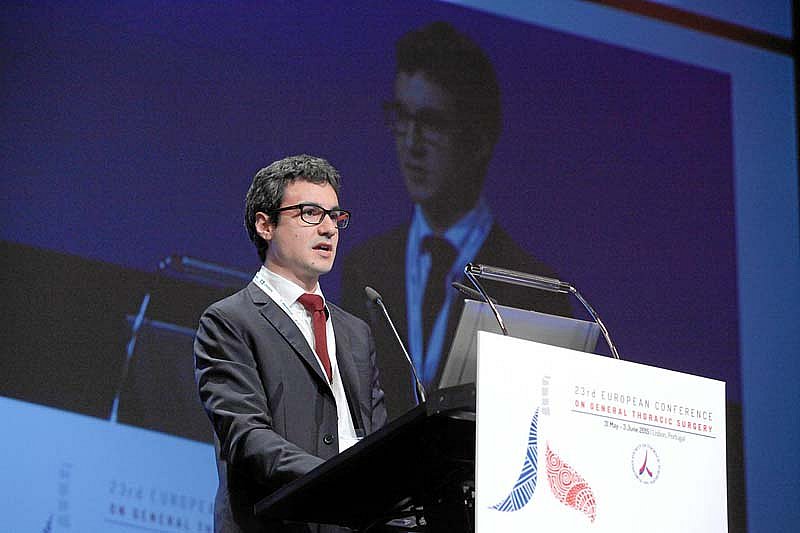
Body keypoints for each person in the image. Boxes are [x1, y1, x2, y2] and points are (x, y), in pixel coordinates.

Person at [341, 22, 571, 419]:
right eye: (402, 117)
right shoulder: (365, 268)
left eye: (431, 122)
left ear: (479, 138)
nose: (411, 143)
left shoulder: (536, 291)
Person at [195, 154, 387, 532]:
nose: (329, 229)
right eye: (310, 214)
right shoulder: (229, 321)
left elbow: (377, 442)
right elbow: (248, 440)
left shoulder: (356, 333)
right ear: (265, 225)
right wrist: (339, 480)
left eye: (335, 216)